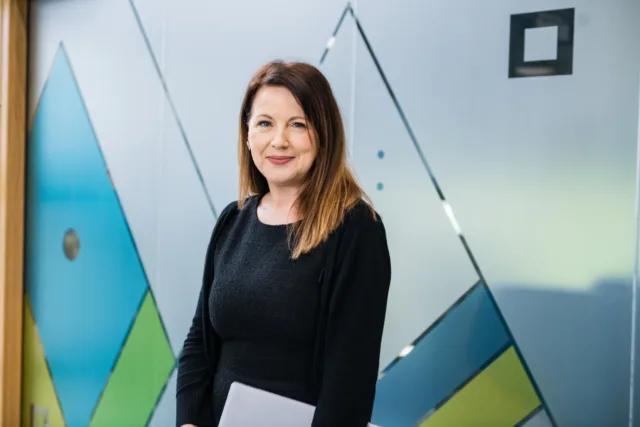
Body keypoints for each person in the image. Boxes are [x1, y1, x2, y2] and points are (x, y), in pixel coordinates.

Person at [176, 59, 392, 427]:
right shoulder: (233, 220)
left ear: (324, 134)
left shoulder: (356, 229)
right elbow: (200, 342)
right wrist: (189, 422)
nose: (279, 141)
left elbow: (349, 383)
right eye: (264, 123)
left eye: (298, 124)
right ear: (247, 135)